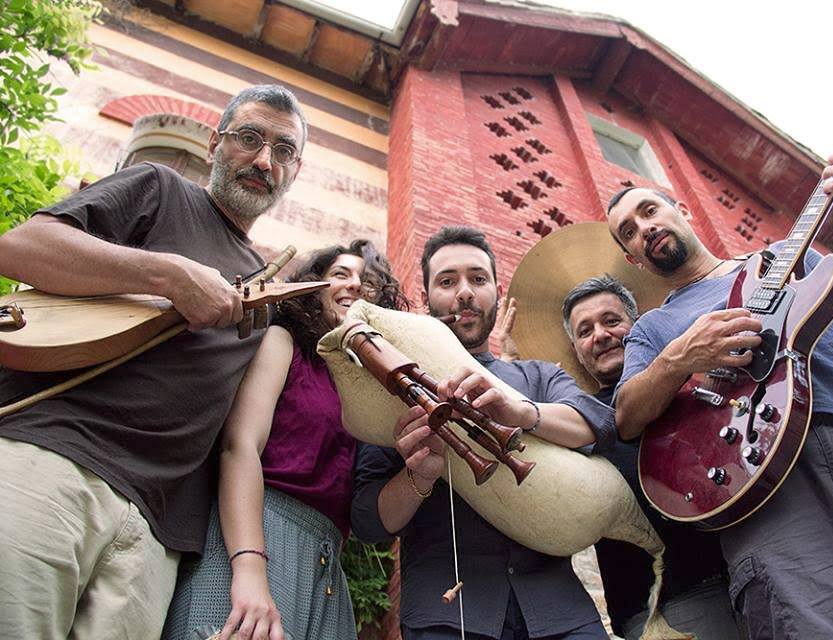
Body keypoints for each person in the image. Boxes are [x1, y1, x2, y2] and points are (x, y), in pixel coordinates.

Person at [606, 143, 833, 639]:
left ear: (681, 211)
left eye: (649, 210)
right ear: (634, 260)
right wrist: (680, 358)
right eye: (630, 232)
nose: (644, 228)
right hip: (760, 482)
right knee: (811, 625)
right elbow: (626, 416)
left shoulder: (792, 259)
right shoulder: (654, 328)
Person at [0, 84, 307, 639]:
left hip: (154, 535)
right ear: (215, 144)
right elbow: (20, 247)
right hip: (51, 462)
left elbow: (240, 443)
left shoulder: (267, 294)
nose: (264, 160)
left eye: (283, 151)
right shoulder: (160, 188)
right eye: (248, 139)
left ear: (294, 170)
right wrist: (165, 273)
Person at [351, 226, 614, 640]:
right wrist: (417, 477)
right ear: (424, 299)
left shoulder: (537, 376)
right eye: (447, 281)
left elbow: (595, 426)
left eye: (477, 279)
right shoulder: (393, 388)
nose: (465, 293)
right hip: (446, 615)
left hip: (561, 613)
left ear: (497, 291)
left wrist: (522, 410)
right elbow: (368, 521)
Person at [162, 239, 409, 640]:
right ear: (315, 286)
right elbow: (239, 445)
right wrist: (248, 569)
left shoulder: (372, 389)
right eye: (340, 274)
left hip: (328, 559)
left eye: (367, 281)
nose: (353, 285)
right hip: (255, 532)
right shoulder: (286, 343)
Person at [560, 274, 742, 640]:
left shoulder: (697, 385)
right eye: (584, 331)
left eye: (611, 321)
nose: (600, 335)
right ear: (578, 351)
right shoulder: (574, 419)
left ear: (638, 325)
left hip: (747, 573)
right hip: (665, 609)